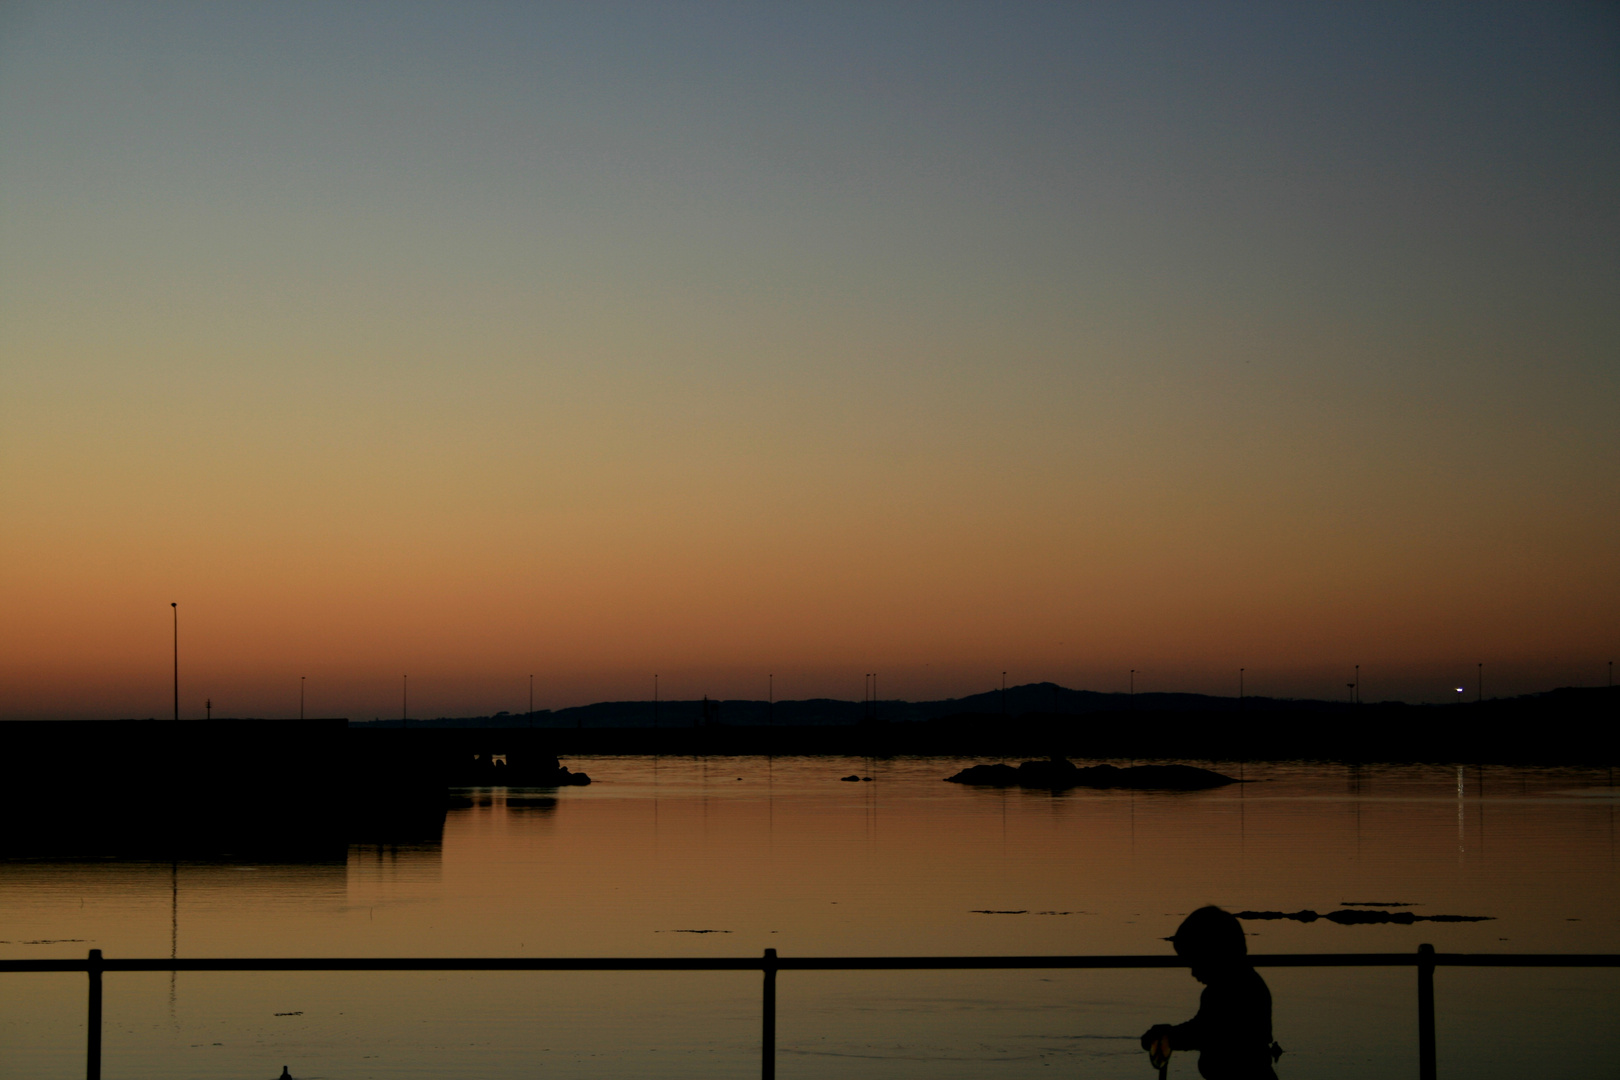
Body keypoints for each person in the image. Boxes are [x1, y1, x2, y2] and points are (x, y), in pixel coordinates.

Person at [1140, 906, 1281, 1079]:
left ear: (1215, 955)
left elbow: (1205, 1032)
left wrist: (1169, 1036)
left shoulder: (1232, 991)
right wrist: (1170, 1035)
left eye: (1195, 963)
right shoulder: (1241, 984)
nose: (1193, 973)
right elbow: (1203, 1028)